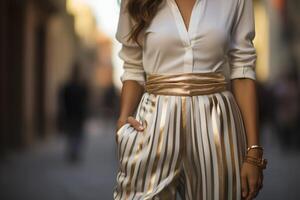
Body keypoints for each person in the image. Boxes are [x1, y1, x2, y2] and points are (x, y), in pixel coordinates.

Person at [113, 0, 267, 199]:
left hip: (217, 127)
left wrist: (253, 153)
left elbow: (243, 69)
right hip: (152, 124)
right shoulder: (135, 2)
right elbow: (132, 66)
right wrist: (123, 121)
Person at [58, 63, 88, 163]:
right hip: (77, 115)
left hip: (71, 114)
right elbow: (85, 100)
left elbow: (63, 100)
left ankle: (73, 153)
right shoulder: (81, 86)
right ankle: (74, 153)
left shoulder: (68, 86)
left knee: (72, 135)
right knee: (76, 135)